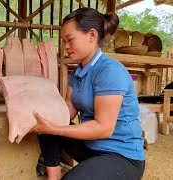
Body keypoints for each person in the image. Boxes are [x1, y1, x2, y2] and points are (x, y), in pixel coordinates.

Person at [30, 7, 145, 180]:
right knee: (48, 121)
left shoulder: (109, 70)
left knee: (53, 128)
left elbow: (103, 128)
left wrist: (54, 128)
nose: (66, 47)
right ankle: (53, 176)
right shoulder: (78, 72)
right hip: (91, 149)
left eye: (70, 40)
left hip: (121, 157)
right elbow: (69, 107)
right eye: (64, 41)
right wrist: (46, 115)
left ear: (92, 35)